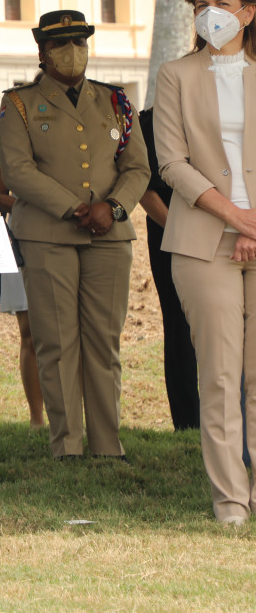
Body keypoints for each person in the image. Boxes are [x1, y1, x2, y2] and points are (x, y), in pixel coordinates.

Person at [0, 9, 149, 460]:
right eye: (60, 44)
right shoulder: (20, 103)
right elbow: (17, 170)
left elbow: (137, 168)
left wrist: (113, 207)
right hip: (48, 234)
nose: (72, 52)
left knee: (104, 341)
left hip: (109, 236)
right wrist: (75, 207)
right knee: (57, 342)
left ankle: (106, 443)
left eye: (80, 42)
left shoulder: (116, 101)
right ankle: (66, 444)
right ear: (42, 52)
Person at [155, 0, 256, 522]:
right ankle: (231, 501)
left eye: (220, 4)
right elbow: (172, 163)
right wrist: (235, 218)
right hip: (203, 243)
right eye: (200, 6)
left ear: (248, 12)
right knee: (218, 375)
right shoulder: (176, 75)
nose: (209, 15)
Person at [138, 106, 200, 432]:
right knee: (179, 326)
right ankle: (189, 423)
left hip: (223, 231)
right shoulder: (151, 122)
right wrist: (179, 232)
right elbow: (144, 190)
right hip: (169, 236)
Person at [0, 157, 46, 429]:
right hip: (24, 237)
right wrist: (34, 208)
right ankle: (36, 420)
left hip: (70, 233)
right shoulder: (11, 139)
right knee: (30, 334)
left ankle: (68, 415)